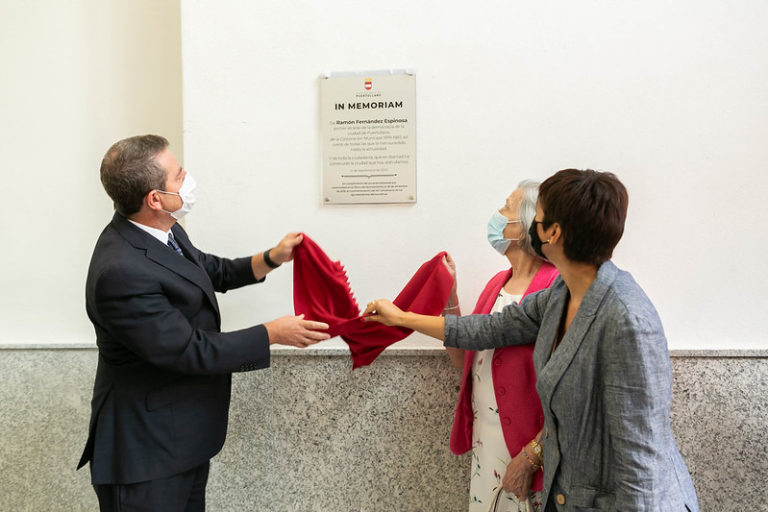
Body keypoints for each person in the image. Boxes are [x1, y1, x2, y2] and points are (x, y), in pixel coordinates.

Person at [364, 169, 699, 511]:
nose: (530, 225)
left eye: (537, 217)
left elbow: (640, 458)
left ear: (553, 232)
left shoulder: (627, 319)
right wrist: (401, 318)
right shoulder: (562, 293)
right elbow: (491, 328)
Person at [77, 134, 330, 512]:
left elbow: (208, 270)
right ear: (155, 199)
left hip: (182, 439)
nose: (188, 179)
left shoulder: (163, 229)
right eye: (179, 175)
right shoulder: (120, 271)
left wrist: (272, 258)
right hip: (144, 453)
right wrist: (272, 334)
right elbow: (188, 349)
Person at [441, 180, 558, 511]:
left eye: (507, 207)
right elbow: (462, 361)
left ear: (526, 226)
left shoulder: (554, 287)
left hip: (529, 454)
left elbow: (566, 390)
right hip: (487, 446)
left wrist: (532, 455)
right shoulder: (497, 284)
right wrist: (449, 298)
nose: (497, 214)